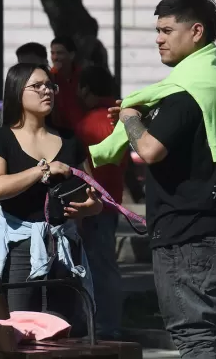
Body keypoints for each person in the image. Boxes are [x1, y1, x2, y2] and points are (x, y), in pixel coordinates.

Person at [95, 0, 216, 358]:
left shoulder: (183, 94)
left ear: (196, 31)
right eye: (157, 30)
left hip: (186, 236)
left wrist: (130, 116)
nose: (158, 39)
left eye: (167, 30)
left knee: (194, 338)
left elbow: (149, 150)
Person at [0, 63, 102, 336]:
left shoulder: (70, 140)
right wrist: (42, 170)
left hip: (64, 249)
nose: (46, 91)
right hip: (20, 247)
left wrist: (91, 207)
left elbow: (93, 191)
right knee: (18, 332)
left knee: (62, 332)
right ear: (16, 92)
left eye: (50, 85)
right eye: (37, 86)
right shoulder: (0, 139)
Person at [75, 66, 126, 341]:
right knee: (106, 267)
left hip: (92, 205)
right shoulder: (120, 120)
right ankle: (108, 323)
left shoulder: (86, 124)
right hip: (113, 202)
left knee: (95, 269)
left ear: (87, 90)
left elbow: (84, 172)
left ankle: (103, 326)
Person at [49, 36, 85, 131]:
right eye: (52, 53)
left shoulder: (83, 77)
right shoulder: (49, 78)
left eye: (60, 53)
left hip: (82, 130)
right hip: (57, 130)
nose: (55, 57)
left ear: (72, 55)